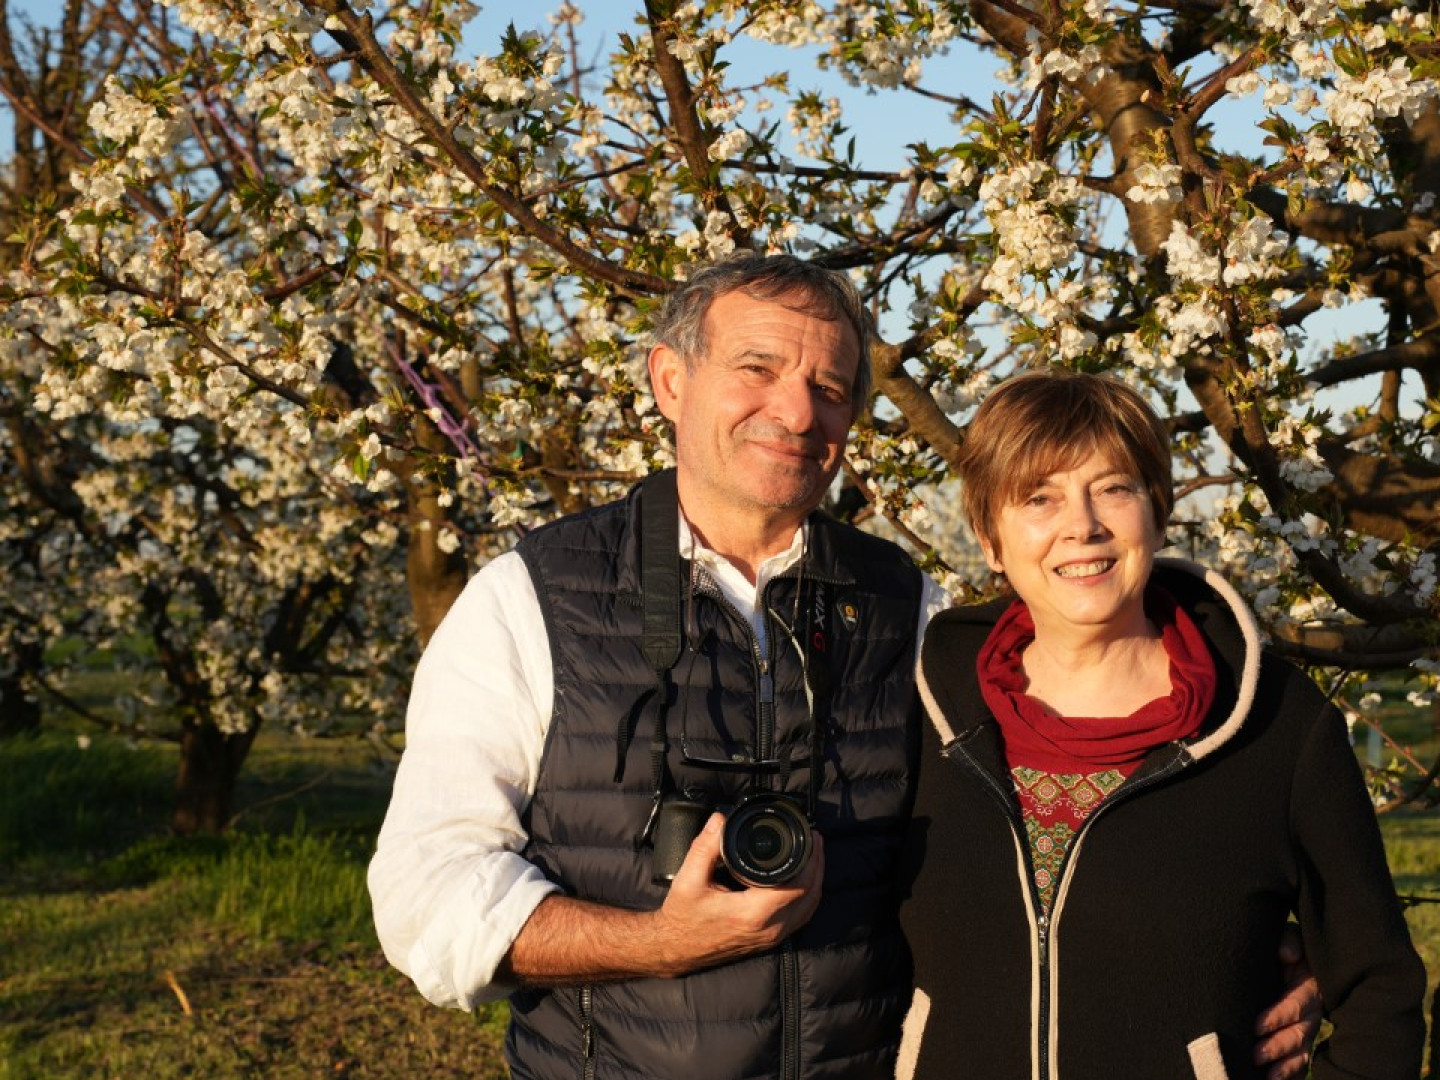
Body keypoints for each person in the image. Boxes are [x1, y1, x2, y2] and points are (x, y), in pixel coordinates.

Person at [367, 255, 1324, 1080]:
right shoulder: (533, 598)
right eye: (758, 368)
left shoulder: (909, 610)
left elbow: (1054, 811)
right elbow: (428, 898)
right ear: (669, 380)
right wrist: (662, 945)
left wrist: (1233, 946)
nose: (794, 410)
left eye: (829, 387)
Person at [896, 371, 1426, 1080]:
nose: (1082, 526)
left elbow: (1379, 988)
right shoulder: (920, 710)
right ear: (991, 539)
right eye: (1039, 497)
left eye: (1114, 488)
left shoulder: (1277, 725)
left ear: (1157, 511)